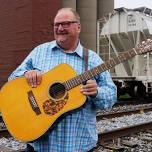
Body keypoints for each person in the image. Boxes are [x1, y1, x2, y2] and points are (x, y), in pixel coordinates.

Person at [9, 7, 117, 152]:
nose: (60, 28)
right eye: (56, 24)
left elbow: (111, 95)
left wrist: (97, 92)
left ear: (78, 27)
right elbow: (13, 78)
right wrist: (27, 74)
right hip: (40, 146)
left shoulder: (93, 59)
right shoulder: (39, 52)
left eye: (65, 23)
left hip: (79, 145)